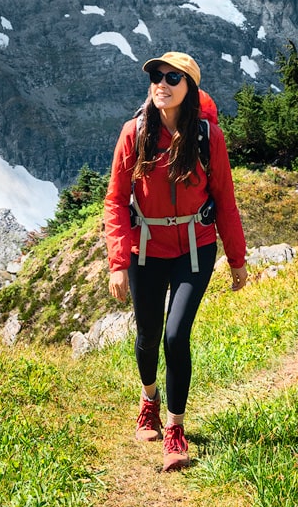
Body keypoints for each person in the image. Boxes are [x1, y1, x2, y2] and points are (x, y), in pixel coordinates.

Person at [104, 51, 248, 471]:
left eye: (172, 78)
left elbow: (225, 200)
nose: (160, 84)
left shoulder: (208, 137)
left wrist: (236, 259)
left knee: (175, 336)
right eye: (156, 77)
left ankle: (175, 428)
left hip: (194, 247)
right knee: (148, 337)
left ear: (190, 89)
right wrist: (117, 261)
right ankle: (149, 398)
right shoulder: (134, 133)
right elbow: (115, 201)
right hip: (145, 250)